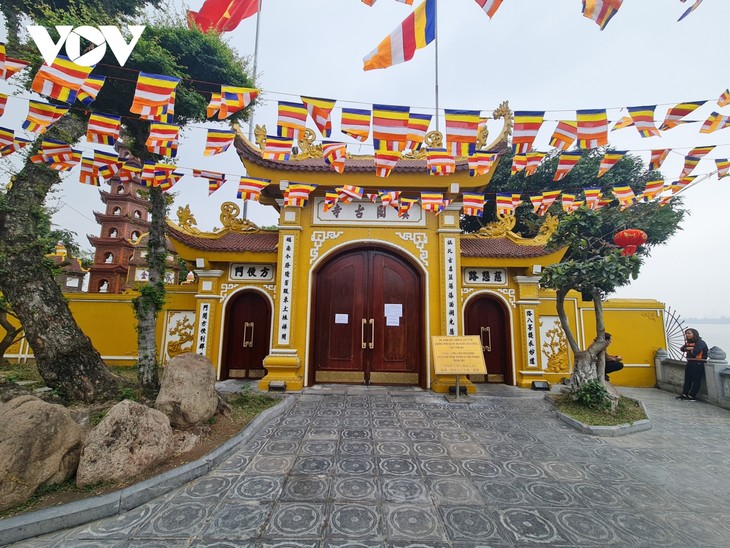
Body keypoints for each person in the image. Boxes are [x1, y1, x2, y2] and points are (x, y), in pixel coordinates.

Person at [677, 328, 709, 401]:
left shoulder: (700, 342)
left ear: (694, 334)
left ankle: (692, 396)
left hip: (698, 363)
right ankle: (684, 394)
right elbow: (682, 348)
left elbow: (695, 352)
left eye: (689, 333)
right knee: (687, 379)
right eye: (686, 334)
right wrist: (690, 348)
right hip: (690, 362)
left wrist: (689, 348)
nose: (687, 335)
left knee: (696, 380)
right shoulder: (689, 342)